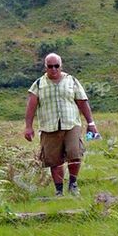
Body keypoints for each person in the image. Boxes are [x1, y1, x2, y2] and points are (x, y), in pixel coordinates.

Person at [24, 53, 98, 196]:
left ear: (61, 66)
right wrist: (28, 126)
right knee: (54, 160)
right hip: (49, 127)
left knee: (75, 154)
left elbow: (82, 101)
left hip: (71, 124)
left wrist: (91, 123)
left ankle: (73, 183)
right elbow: (31, 106)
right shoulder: (38, 84)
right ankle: (59, 190)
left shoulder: (72, 81)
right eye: (50, 66)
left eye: (56, 66)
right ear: (45, 67)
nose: (53, 69)